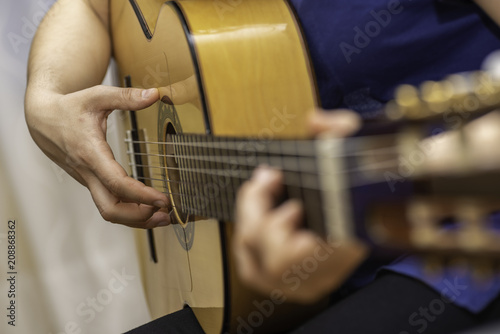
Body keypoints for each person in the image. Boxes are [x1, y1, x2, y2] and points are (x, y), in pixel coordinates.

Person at [25, 0, 500, 333]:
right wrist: (46, 98)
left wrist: (403, 169)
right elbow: (94, 5)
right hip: (268, 271)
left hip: (459, 244)